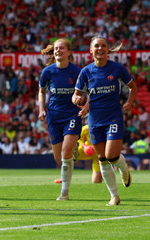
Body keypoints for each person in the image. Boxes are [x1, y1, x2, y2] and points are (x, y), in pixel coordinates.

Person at [72, 36, 137, 206]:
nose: (100, 48)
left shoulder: (117, 69)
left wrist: (129, 102)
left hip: (113, 117)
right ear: (91, 50)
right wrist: (76, 99)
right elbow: (77, 93)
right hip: (94, 120)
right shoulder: (85, 72)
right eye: (96, 46)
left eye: (103, 46)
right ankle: (114, 196)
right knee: (102, 158)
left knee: (111, 156)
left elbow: (133, 86)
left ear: (108, 50)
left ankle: (124, 168)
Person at [38, 38, 83, 201]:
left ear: (69, 52)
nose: (58, 51)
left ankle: (64, 193)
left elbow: (88, 91)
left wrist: (83, 104)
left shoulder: (77, 72)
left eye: (61, 48)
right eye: (56, 48)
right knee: (59, 159)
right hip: (53, 116)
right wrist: (41, 108)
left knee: (65, 153)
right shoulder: (48, 72)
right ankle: (73, 149)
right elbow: (41, 91)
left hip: (72, 114)